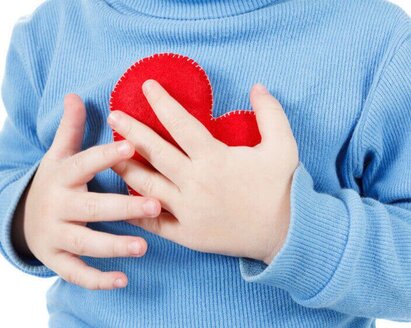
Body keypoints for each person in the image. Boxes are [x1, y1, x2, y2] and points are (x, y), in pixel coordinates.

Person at [1, 0, 410, 326]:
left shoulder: (379, 44)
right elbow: (9, 176)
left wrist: (286, 228)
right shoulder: (50, 34)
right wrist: (27, 216)